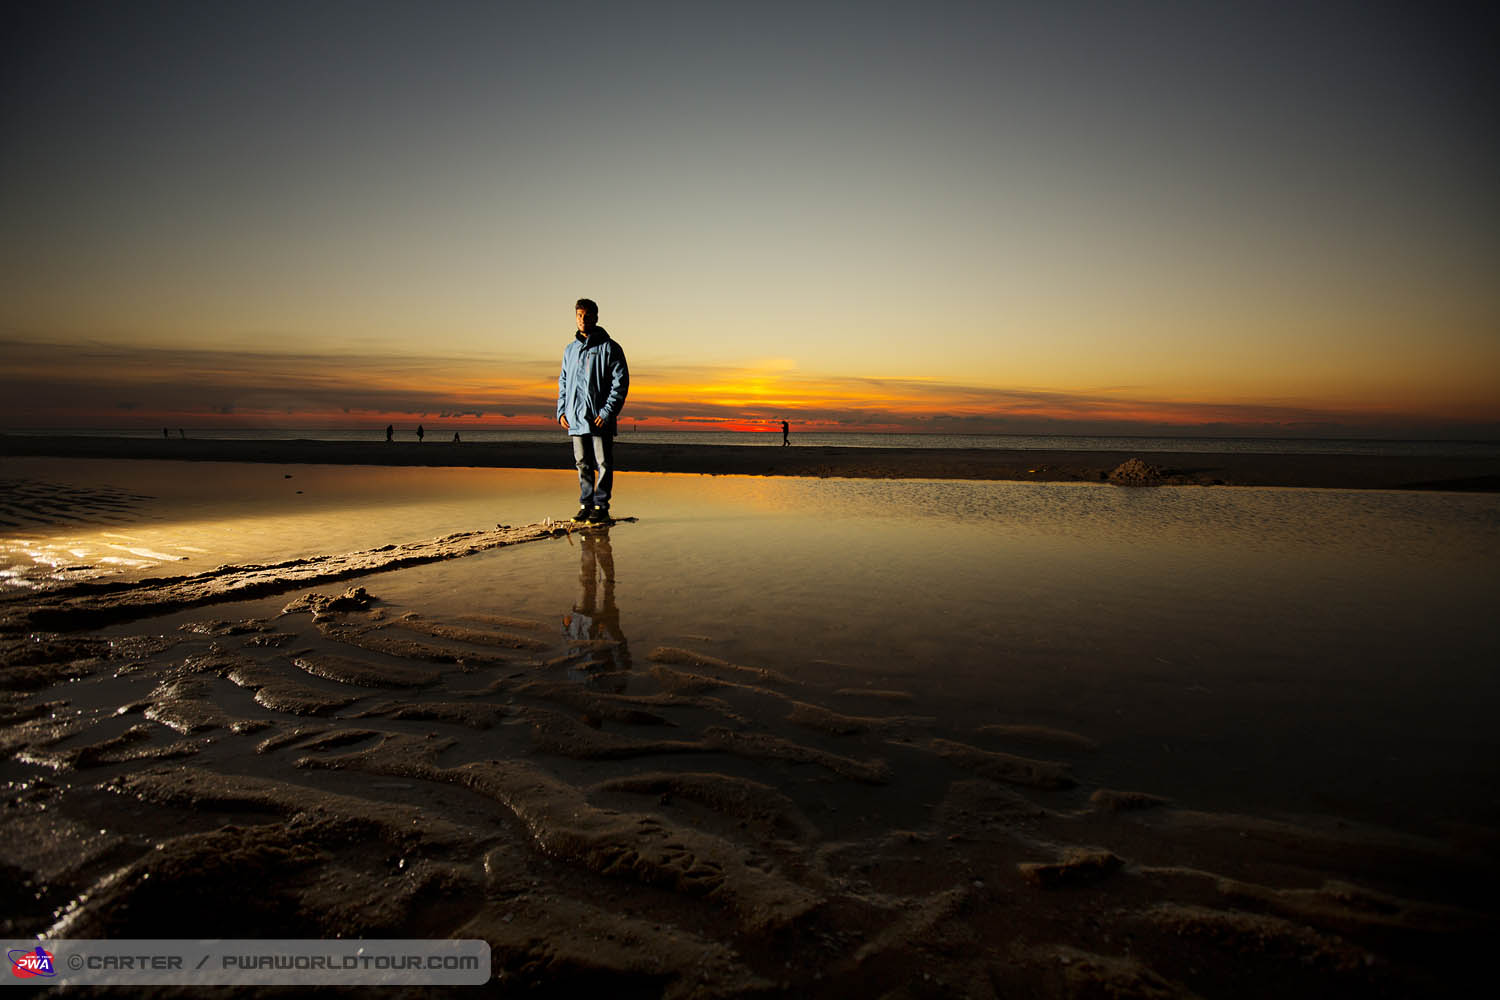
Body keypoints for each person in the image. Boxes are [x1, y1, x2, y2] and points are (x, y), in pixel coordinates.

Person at [557, 297, 629, 522]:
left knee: (604, 463)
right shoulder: (570, 350)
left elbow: (621, 383)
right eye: (579, 315)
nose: (582, 320)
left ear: (596, 318)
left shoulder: (610, 347)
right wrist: (561, 411)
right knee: (582, 463)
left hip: (600, 419)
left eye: (587, 316)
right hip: (575, 418)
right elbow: (563, 382)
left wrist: (607, 412)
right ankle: (586, 504)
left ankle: (601, 507)